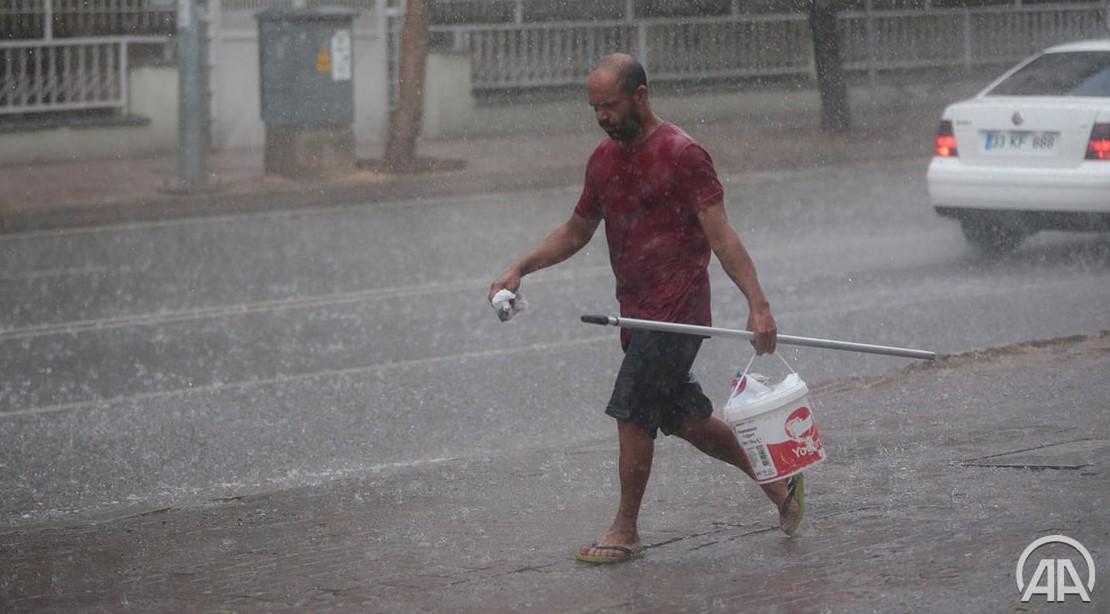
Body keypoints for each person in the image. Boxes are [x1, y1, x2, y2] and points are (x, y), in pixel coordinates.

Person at [488, 53, 805, 565]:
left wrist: (758, 305)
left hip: (677, 313)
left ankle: (625, 530)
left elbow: (721, 236)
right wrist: (520, 266)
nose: (602, 117)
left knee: (632, 410)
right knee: (685, 419)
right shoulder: (603, 161)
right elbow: (576, 231)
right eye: (594, 109)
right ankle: (778, 482)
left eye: (609, 105)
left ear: (640, 96)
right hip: (636, 314)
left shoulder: (684, 155)